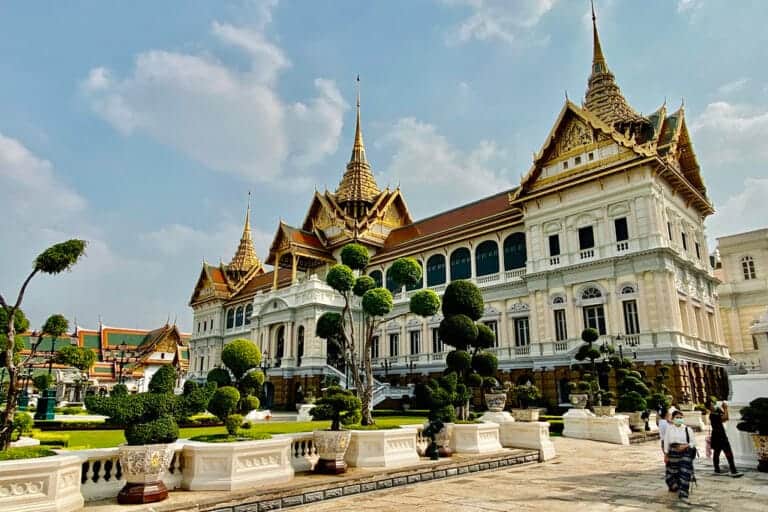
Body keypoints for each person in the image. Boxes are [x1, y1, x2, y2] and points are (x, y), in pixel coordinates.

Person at [663, 410, 696, 500]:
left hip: (685, 452)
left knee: (684, 471)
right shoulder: (669, 429)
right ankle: (675, 486)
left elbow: (693, 443)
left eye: (681, 418)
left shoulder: (687, 429)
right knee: (673, 472)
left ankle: (684, 492)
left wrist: (685, 445)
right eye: (677, 417)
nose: (679, 419)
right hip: (673, 452)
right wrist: (666, 454)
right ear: (673, 419)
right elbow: (666, 442)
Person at [709, 401, 743, 477]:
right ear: (709, 408)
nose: (714, 406)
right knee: (727, 452)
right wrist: (725, 408)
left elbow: (725, 419)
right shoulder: (712, 415)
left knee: (717, 452)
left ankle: (717, 469)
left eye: (713, 404)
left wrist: (722, 410)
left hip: (719, 435)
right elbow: (726, 417)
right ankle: (733, 470)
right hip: (719, 436)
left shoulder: (716, 412)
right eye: (712, 405)